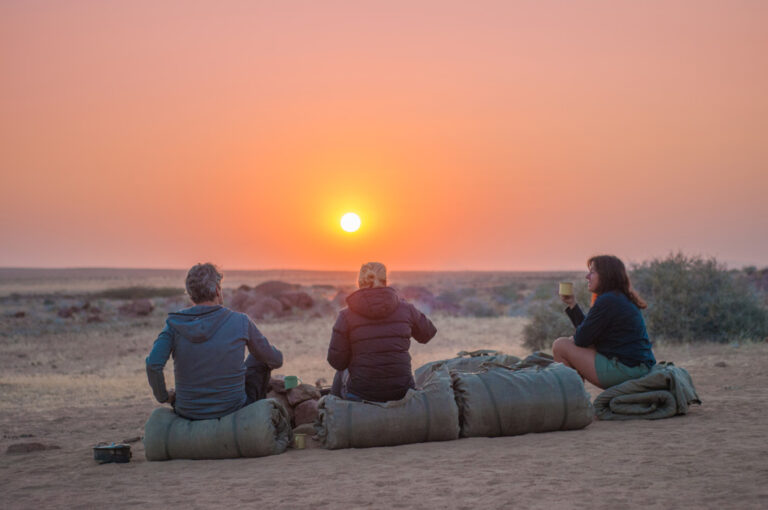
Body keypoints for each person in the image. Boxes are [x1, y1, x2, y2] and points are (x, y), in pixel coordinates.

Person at [146, 263, 283, 420]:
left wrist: (164, 397)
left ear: (190, 294)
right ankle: (255, 419)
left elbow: (153, 365)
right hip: (234, 409)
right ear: (218, 289)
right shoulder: (240, 321)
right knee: (259, 358)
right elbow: (275, 360)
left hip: (188, 411)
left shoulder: (174, 323)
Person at [327, 262, 437, 402]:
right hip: (402, 391)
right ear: (385, 281)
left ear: (360, 282)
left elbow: (337, 362)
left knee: (340, 373)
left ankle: (337, 415)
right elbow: (428, 334)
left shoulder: (346, 316)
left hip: (361, 393)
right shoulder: (406, 308)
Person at [552, 255, 656, 389]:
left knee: (560, 345)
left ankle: (573, 402)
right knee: (570, 342)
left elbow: (582, 339)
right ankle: (576, 399)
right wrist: (572, 304)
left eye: (592, 272)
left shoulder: (608, 300)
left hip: (628, 370)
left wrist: (575, 339)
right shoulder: (617, 297)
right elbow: (587, 335)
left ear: (606, 275)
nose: (587, 277)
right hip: (638, 367)